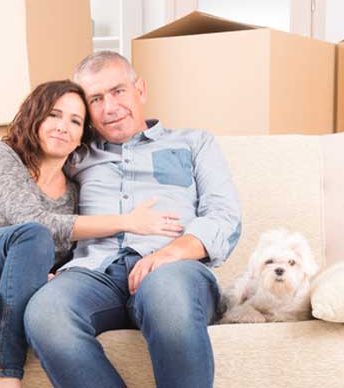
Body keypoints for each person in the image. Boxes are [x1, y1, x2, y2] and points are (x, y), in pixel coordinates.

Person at [0, 80, 184, 388]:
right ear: (34, 118)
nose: (63, 126)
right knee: (33, 234)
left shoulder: (75, 195)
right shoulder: (3, 157)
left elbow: (64, 254)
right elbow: (32, 223)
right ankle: (7, 373)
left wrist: (45, 274)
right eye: (53, 115)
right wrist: (126, 221)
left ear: (81, 137)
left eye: (75, 121)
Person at [23, 51, 242, 388]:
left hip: (174, 270)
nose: (110, 107)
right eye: (95, 99)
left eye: (118, 91)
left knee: (167, 295)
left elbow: (225, 216)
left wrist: (169, 253)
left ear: (140, 90)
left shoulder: (194, 142)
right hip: (93, 274)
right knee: (45, 311)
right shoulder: (74, 153)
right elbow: (13, 166)